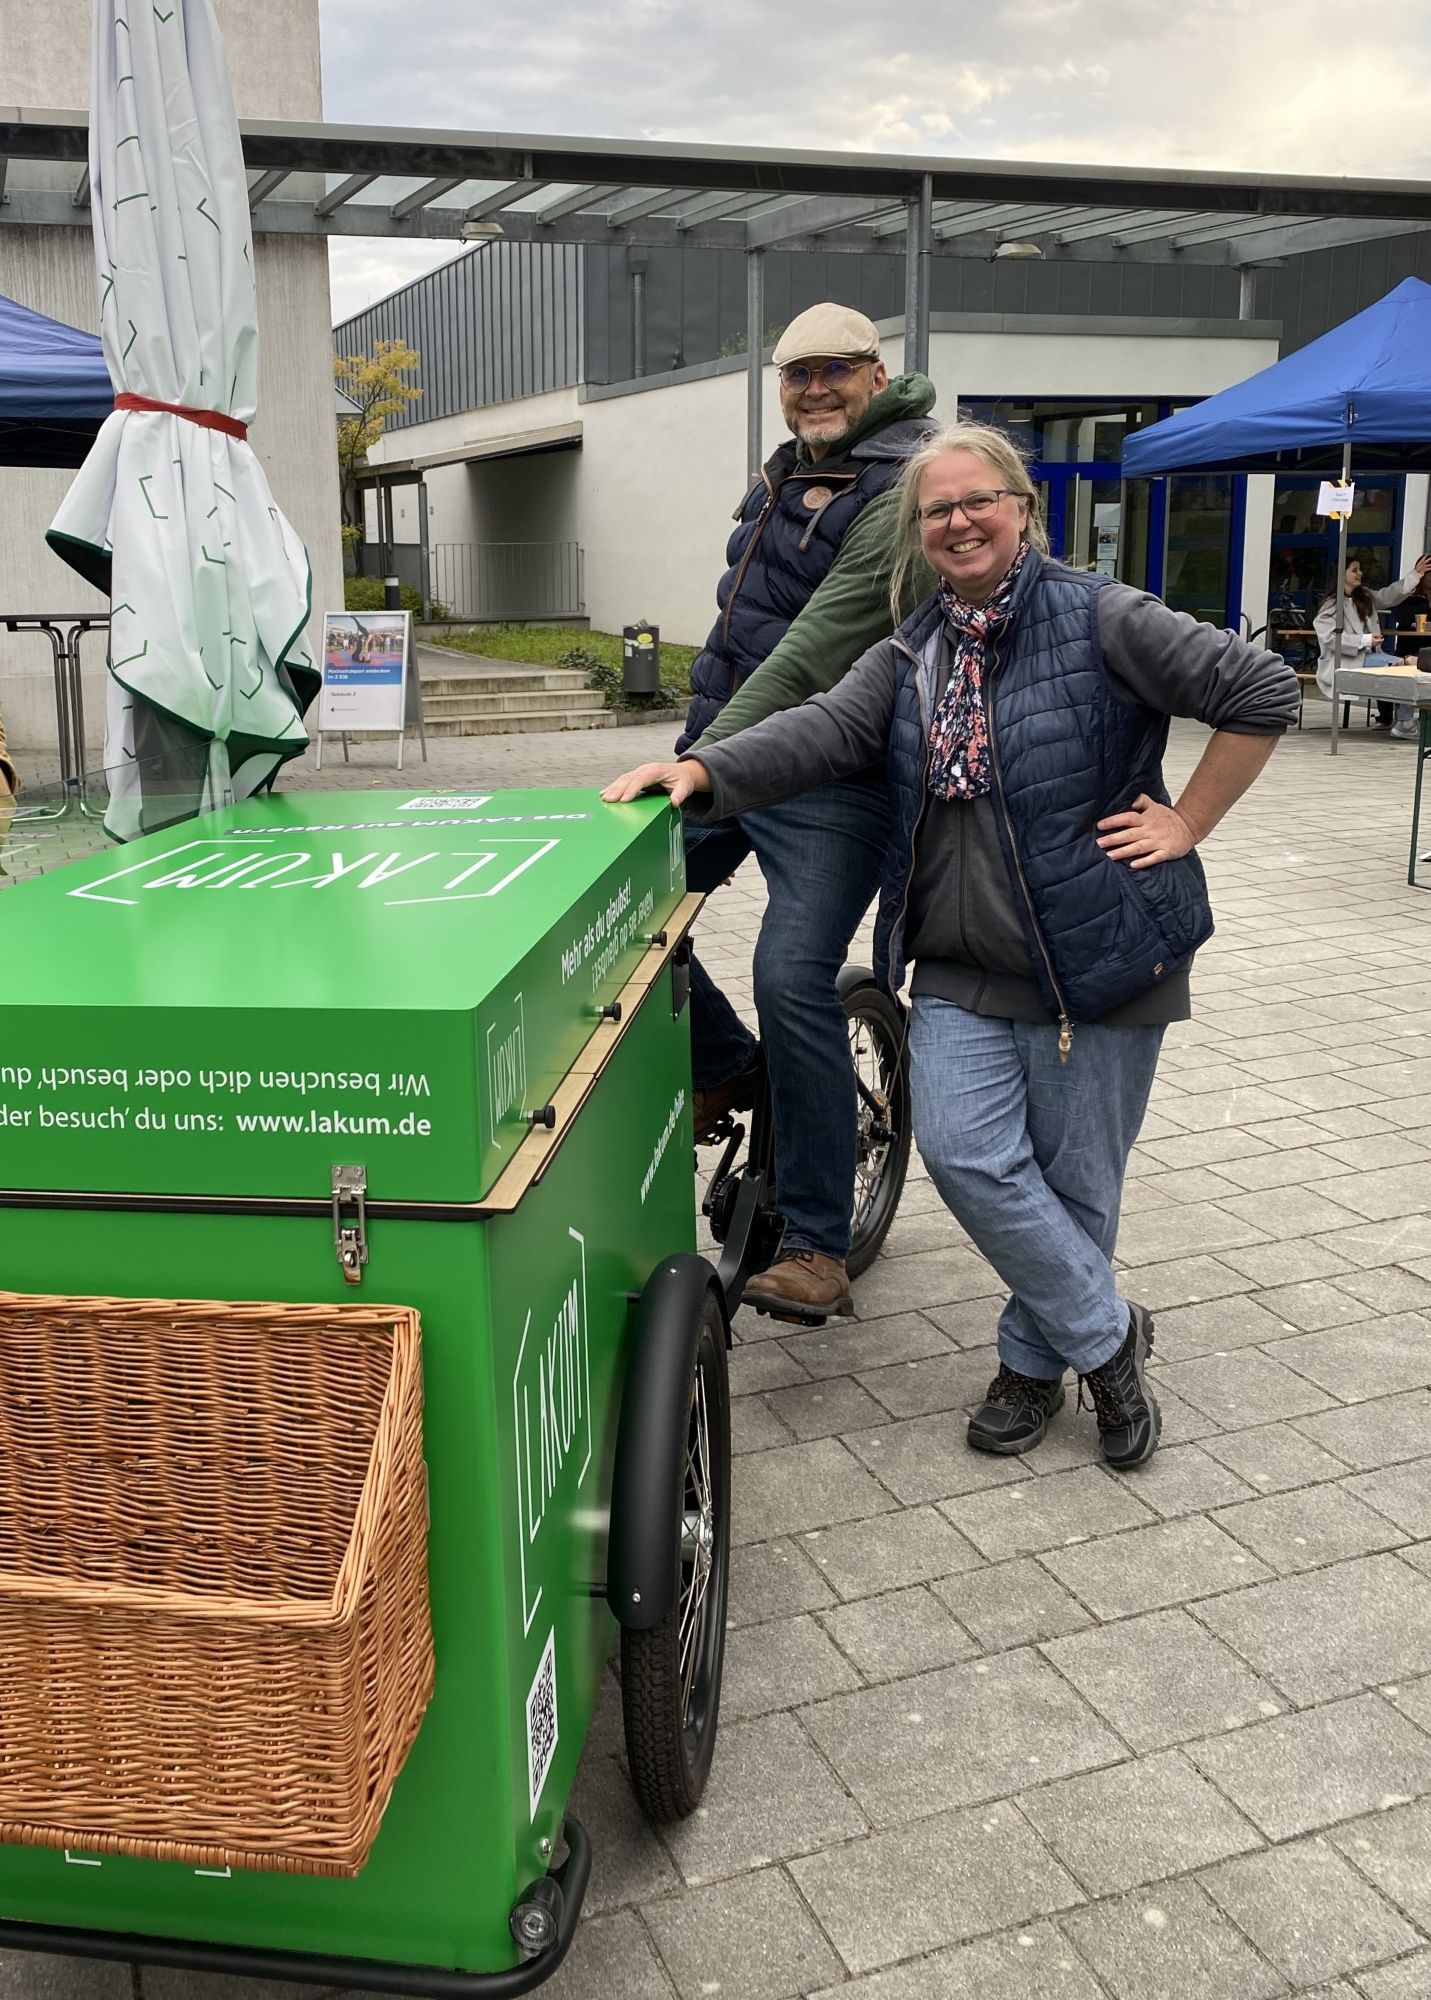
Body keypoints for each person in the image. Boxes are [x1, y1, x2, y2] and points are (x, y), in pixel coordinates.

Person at [604, 421, 1297, 1469]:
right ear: (919, 532)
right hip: (963, 961)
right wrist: (702, 772)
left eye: (979, 500)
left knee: (1074, 1184)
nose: (959, 521)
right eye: (937, 510)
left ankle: (1030, 1362)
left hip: (1099, 956)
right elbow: (826, 727)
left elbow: (1260, 692)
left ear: (1023, 508)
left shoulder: (1104, 615)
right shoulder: (917, 646)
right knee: (972, 1157)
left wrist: (1185, 820)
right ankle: (1109, 1335)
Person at [669, 301, 937, 1320]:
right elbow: (742, 626)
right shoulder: (786, 469)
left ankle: (820, 1238)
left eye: (835, 370)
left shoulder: (904, 480)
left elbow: (817, 645)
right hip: (732, 748)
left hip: (832, 771)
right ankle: (732, 1064)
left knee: (793, 972)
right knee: (616, 915)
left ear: (877, 373)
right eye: (796, 374)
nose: (814, 388)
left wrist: (701, 757)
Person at [1312, 558, 1419, 735]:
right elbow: (1329, 639)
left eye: (1359, 569)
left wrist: (1416, 574)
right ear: (1341, 574)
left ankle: (1404, 720)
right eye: (1354, 570)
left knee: (1407, 667)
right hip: (1347, 661)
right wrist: (1365, 640)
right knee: (1406, 666)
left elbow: (1389, 595)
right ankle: (1405, 722)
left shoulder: (1365, 596)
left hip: (1369, 657)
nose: (1360, 573)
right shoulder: (1331, 604)